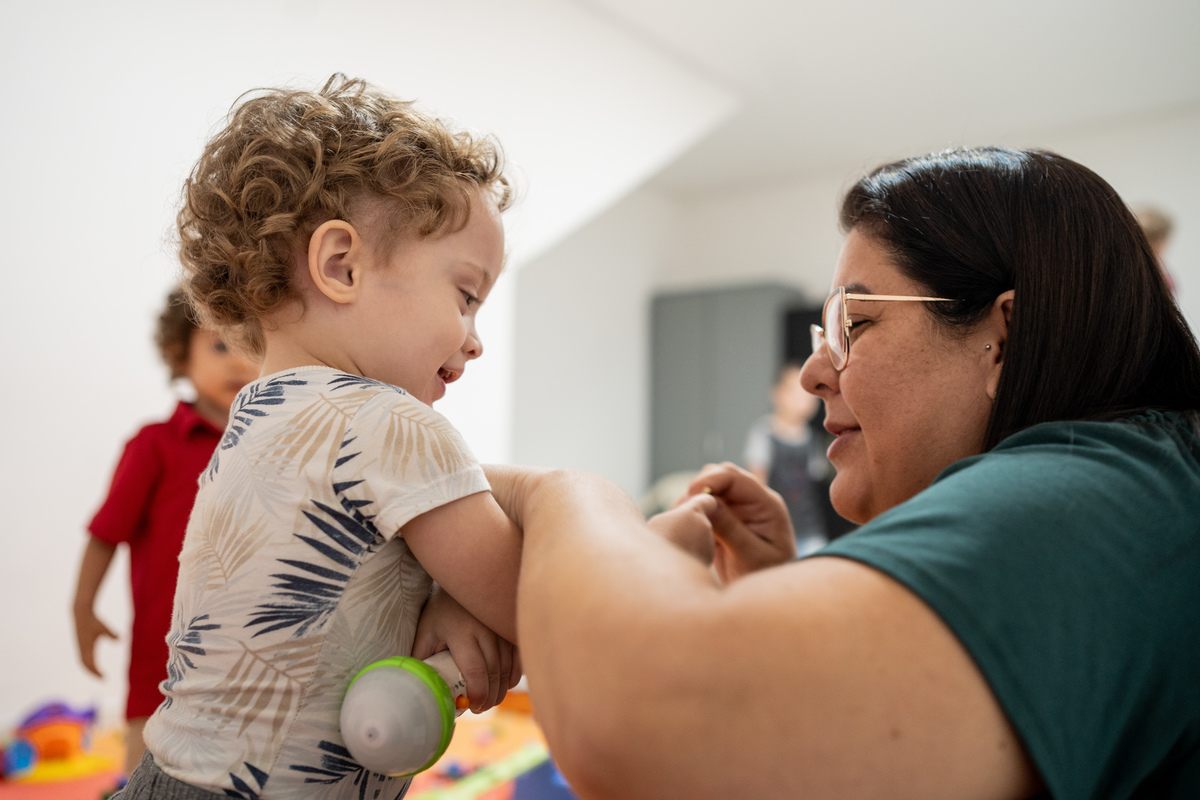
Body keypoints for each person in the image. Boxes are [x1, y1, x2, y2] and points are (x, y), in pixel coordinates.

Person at [487, 147, 1200, 799]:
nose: (813, 373)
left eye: (853, 325)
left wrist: (560, 495)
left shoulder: (1085, 496)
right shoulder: (1142, 482)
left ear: (1004, 338)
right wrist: (780, 610)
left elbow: (644, 730)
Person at [114, 75, 522, 800]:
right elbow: (532, 603)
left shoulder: (253, 422)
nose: (475, 339)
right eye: (465, 296)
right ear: (341, 266)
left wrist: (451, 594)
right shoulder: (389, 422)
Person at [72, 289, 259, 778]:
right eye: (221, 344)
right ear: (180, 353)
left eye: (254, 344)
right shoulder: (154, 444)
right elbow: (106, 532)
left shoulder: (274, 448)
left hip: (248, 650)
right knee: (145, 761)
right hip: (164, 649)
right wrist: (82, 607)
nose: (240, 361)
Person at [742, 361, 829, 554]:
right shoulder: (764, 434)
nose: (805, 400)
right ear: (777, 394)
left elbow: (817, 478)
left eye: (810, 394)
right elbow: (757, 484)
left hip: (809, 529)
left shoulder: (813, 439)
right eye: (797, 393)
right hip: (774, 528)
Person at [1134, 204, 1178, 293]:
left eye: (1160, 241)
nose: (1157, 247)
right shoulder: (1133, 272)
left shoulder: (1163, 277)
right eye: (1151, 240)